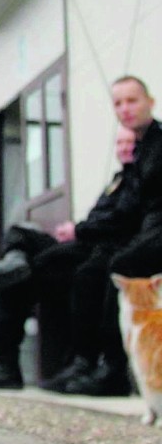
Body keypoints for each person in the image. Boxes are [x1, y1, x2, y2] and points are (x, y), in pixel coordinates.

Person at [0, 125, 140, 392]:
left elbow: (124, 220)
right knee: (20, 235)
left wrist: (78, 230)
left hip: (99, 249)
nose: (125, 148)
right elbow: (100, 218)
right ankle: (15, 261)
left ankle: (9, 363)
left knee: (23, 274)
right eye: (120, 143)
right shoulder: (117, 180)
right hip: (82, 243)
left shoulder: (142, 179)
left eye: (131, 143)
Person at [66, 76, 162, 395]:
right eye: (118, 103)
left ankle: (115, 370)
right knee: (93, 268)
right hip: (145, 233)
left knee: (118, 265)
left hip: (154, 234)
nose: (125, 109)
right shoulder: (142, 146)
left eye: (132, 100)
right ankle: (88, 364)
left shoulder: (157, 144)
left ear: (151, 102)